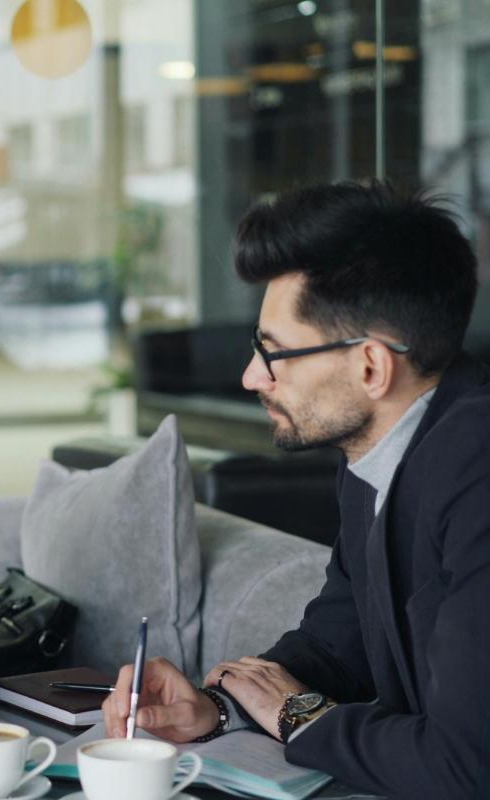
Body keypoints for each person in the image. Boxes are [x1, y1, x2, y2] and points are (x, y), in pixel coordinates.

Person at [101, 181, 490, 798]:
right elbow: (340, 645)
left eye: (274, 352)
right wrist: (217, 704)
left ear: (370, 366)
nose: (252, 375)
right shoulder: (380, 447)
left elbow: (466, 764)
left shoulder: (476, 473)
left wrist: (300, 716)